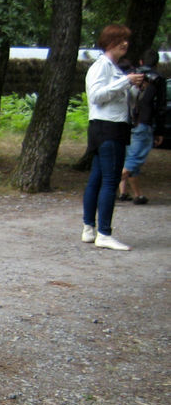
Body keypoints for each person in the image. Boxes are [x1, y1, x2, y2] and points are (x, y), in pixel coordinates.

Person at [80, 24, 144, 251]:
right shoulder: (101, 67)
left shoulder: (115, 68)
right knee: (110, 180)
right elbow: (97, 96)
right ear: (108, 42)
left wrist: (134, 87)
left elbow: (124, 101)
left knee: (97, 178)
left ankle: (89, 228)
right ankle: (104, 233)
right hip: (108, 128)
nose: (124, 44)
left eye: (126, 40)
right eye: (119, 40)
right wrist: (126, 82)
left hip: (110, 127)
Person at [118, 49, 165, 205]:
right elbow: (161, 107)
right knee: (133, 161)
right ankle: (104, 190)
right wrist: (159, 131)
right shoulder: (158, 80)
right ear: (156, 63)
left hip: (126, 122)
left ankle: (134, 194)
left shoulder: (130, 75)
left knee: (129, 158)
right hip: (144, 123)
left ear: (141, 62)